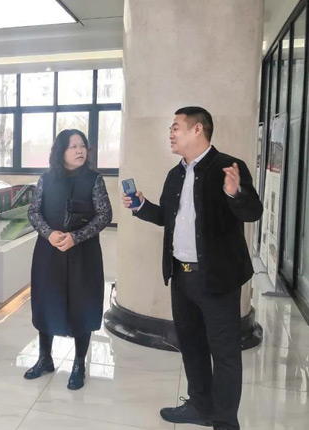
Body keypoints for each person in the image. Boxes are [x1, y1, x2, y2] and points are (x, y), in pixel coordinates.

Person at [123, 107, 262, 430]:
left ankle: (225, 421)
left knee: (224, 353)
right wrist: (141, 206)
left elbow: (253, 212)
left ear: (198, 129)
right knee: (192, 346)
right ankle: (200, 406)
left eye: (176, 127)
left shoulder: (229, 167)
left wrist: (235, 193)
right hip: (181, 277)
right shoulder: (175, 174)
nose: (170, 133)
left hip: (217, 278)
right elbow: (167, 218)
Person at [25, 129, 112, 390]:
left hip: (83, 254)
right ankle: (45, 358)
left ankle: (78, 364)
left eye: (82, 145)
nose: (79, 150)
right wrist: (49, 234)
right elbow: (34, 211)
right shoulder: (46, 179)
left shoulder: (94, 179)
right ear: (60, 151)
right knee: (46, 302)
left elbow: (104, 215)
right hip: (49, 252)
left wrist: (76, 237)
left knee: (82, 305)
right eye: (73, 146)